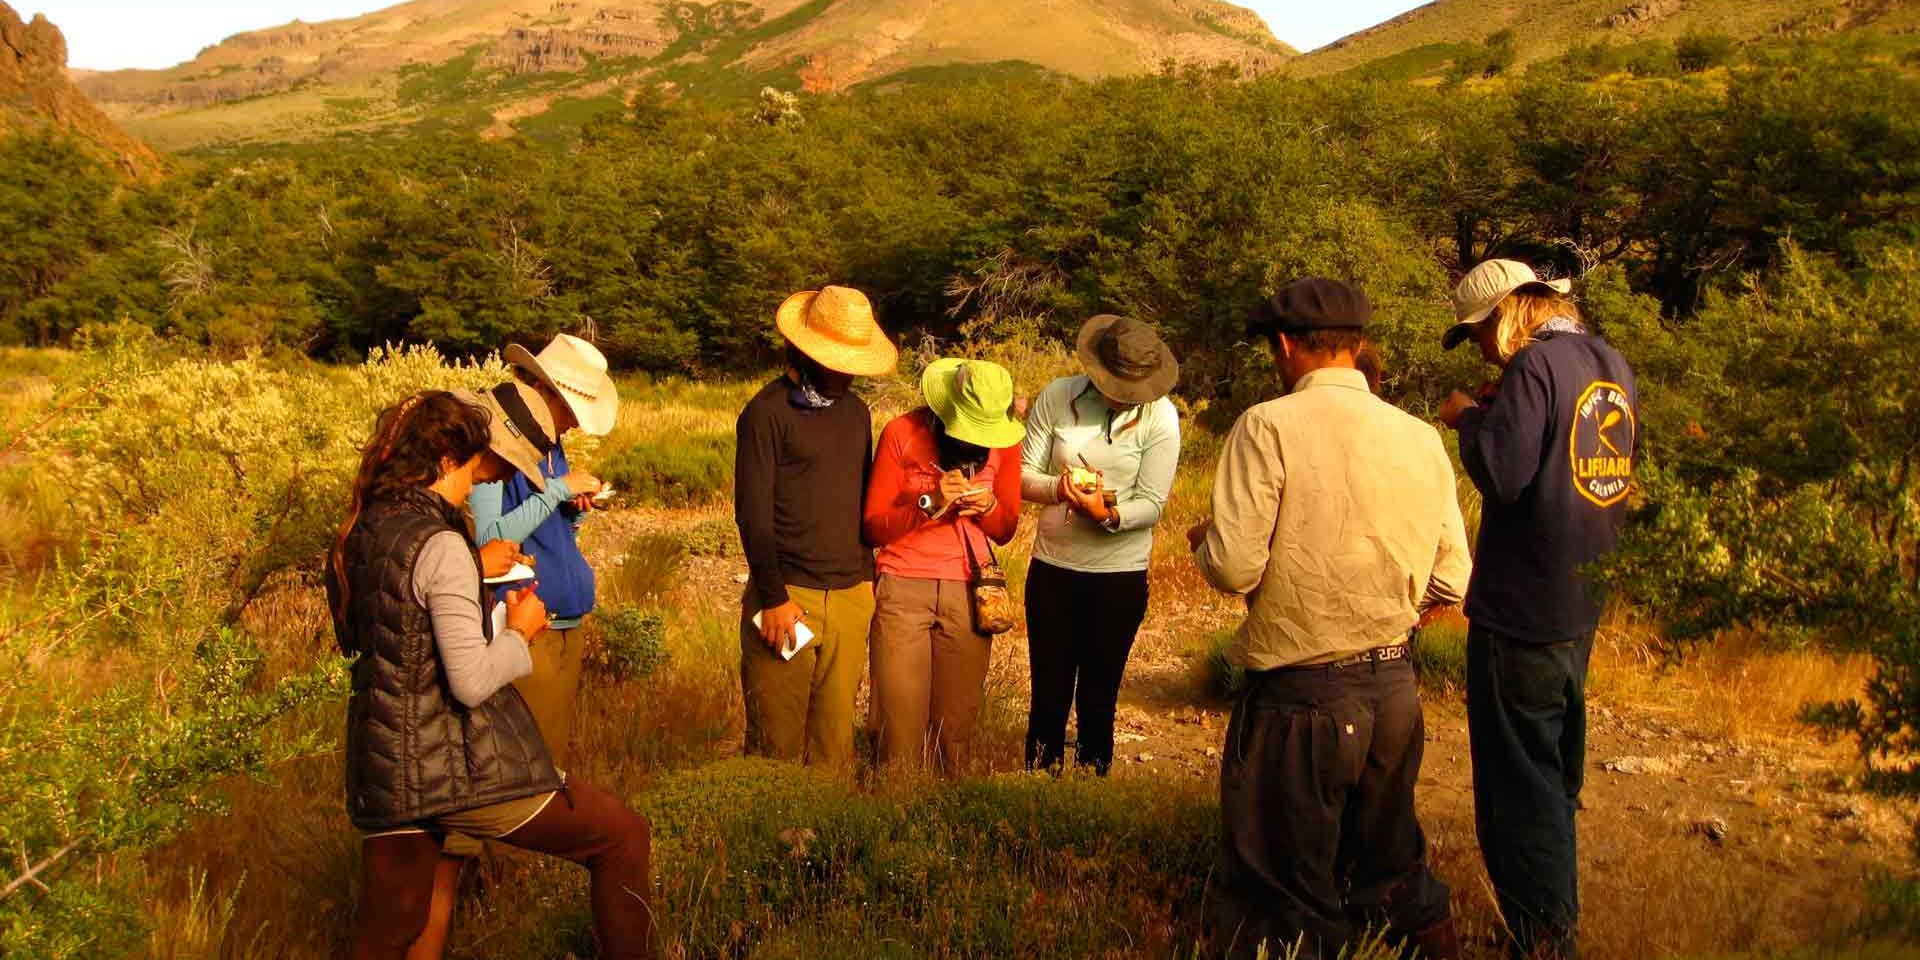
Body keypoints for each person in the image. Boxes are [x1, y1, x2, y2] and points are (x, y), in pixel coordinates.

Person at [1189, 278, 1469, 960]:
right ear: (1358, 345)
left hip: (1300, 694)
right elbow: (1452, 576)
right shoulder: (1420, 435)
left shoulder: (1267, 425)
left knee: (1287, 891)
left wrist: (1207, 545)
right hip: (1395, 691)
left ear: (1285, 347)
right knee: (1393, 869)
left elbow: (1233, 568)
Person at [327, 390, 652, 960]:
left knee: (389, 929)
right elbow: (472, 681)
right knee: (621, 837)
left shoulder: (365, 528)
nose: (479, 481)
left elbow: (380, 641)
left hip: (387, 766)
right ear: (446, 462)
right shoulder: (441, 543)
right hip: (451, 765)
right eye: (476, 466)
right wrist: (520, 631)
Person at [1437, 259, 1638, 960]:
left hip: (1522, 605)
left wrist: (1469, 419)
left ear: (1507, 313)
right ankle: (1549, 920)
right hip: (1581, 600)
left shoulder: (1534, 369)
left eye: (1482, 332)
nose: (1486, 348)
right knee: (1555, 773)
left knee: (1516, 782)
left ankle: (1543, 939)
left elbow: (1504, 474)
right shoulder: (1609, 361)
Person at [736, 285, 897, 769]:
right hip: (789, 597)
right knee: (774, 746)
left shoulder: (856, 412)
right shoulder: (766, 412)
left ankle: (821, 842)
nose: (844, 372)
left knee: (833, 747)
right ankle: (768, 842)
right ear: (805, 351)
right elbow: (752, 514)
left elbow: (857, 500)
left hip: (850, 595)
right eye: (835, 360)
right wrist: (774, 598)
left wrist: (867, 580)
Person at [1018, 315, 1180, 775]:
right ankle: (1037, 788)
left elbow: (1152, 503)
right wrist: (1060, 490)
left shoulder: (1161, 416)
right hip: (1053, 568)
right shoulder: (1057, 396)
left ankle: (1091, 783)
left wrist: (1108, 515)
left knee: (1099, 697)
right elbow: (1022, 476)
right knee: (1047, 695)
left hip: (1119, 576)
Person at [863, 358, 1025, 774]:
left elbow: (1005, 528)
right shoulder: (903, 433)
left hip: (969, 590)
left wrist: (986, 506)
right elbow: (874, 526)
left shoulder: (1006, 443)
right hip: (902, 585)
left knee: (955, 727)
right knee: (897, 727)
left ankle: (947, 820)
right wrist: (930, 502)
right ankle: (894, 816)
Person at [472, 333, 621, 768]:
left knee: (550, 759)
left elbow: (549, 532)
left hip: (564, 623)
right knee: (523, 765)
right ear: (541, 392)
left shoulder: (553, 449)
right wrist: (557, 491)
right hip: (525, 625)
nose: (573, 424)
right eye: (569, 412)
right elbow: (490, 541)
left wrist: (572, 511)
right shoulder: (496, 447)